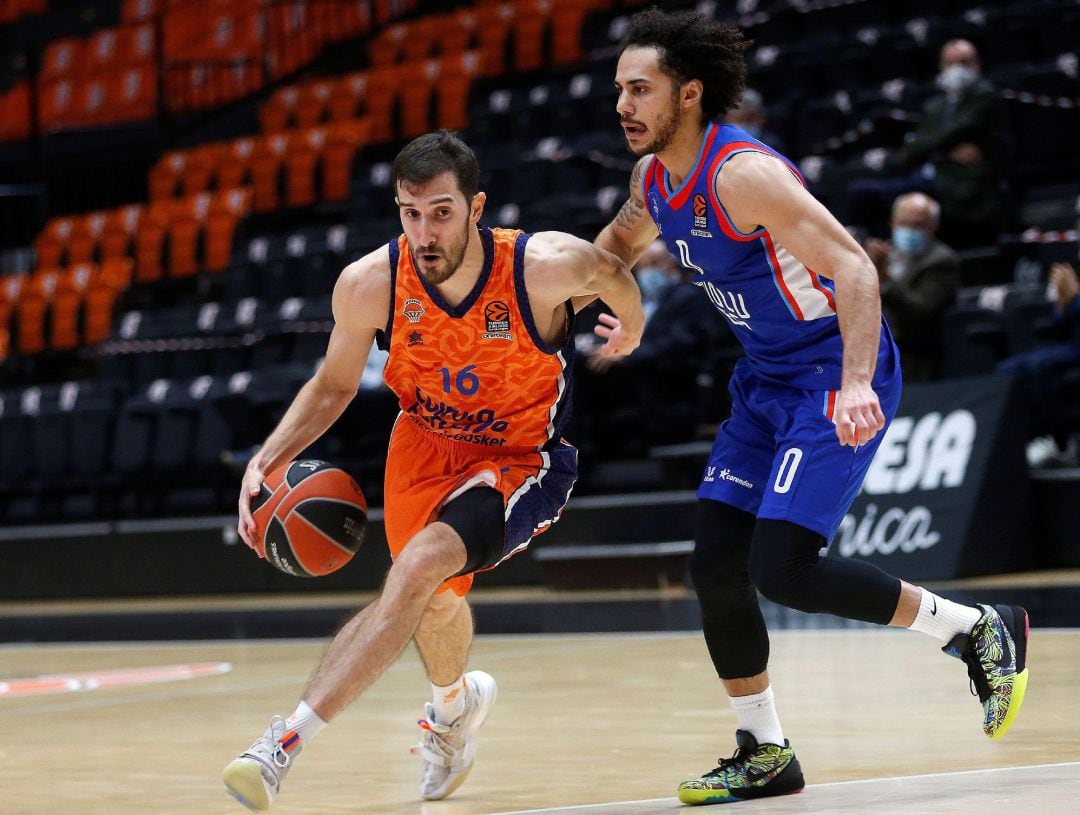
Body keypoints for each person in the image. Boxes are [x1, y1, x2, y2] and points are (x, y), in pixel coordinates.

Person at [596, 8, 1030, 806]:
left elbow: (855, 267)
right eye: (619, 88)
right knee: (714, 567)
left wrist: (859, 381)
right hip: (763, 380)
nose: (622, 104)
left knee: (782, 568)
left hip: (832, 369)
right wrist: (610, 306)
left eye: (639, 89)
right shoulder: (651, 177)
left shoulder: (743, 175)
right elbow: (615, 250)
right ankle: (765, 751)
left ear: (688, 94)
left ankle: (974, 629)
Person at [220, 130, 645, 811]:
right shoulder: (370, 284)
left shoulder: (537, 267)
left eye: (441, 211)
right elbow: (332, 386)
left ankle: (279, 745)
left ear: (476, 208)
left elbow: (613, 268)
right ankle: (454, 707)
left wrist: (635, 325)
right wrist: (266, 455)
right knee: (432, 600)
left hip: (518, 457)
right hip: (420, 446)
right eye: (410, 212)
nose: (425, 230)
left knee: (416, 573)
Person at [850, 39, 1009, 248]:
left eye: (963, 62)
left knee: (868, 194)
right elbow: (914, 148)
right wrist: (947, 152)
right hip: (926, 175)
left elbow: (950, 133)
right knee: (860, 191)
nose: (956, 70)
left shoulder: (985, 96)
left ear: (977, 64)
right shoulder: (936, 105)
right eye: (950, 63)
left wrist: (931, 147)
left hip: (959, 184)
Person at [864, 192, 961, 381]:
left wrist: (883, 278)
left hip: (917, 355)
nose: (909, 230)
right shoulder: (886, 256)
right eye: (903, 223)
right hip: (875, 349)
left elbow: (921, 311)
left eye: (918, 225)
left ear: (933, 227)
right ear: (892, 224)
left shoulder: (942, 261)